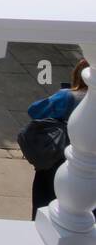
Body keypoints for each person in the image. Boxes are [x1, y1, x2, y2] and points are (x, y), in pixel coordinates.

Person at [27, 58, 90, 218]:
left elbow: (35, 110)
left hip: (57, 161)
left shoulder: (68, 96)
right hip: (89, 168)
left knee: (45, 205)